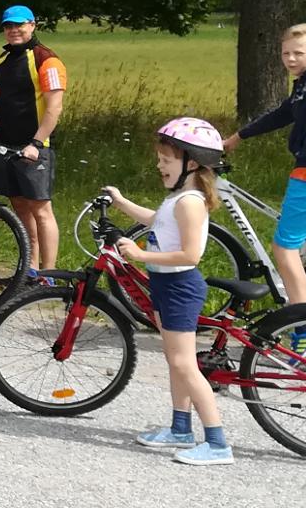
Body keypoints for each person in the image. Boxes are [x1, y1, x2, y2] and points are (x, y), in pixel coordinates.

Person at [101, 118, 233, 466]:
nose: (160, 165)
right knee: (174, 362)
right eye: (160, 159)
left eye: (166, 160)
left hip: (179, 286)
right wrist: (122, 202)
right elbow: (156, 220)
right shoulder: (178, 198)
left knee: (184, 364)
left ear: (191, 162)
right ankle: (180, 428)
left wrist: (142, 255)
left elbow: (191, 255)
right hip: (164, 283)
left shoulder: (190, 202)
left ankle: (217, 443)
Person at [223, 17, 306, 340]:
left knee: (284, 249)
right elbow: (281, 114)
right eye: (285, 54)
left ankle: (304, 329)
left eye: (298, 53)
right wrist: (238, 136)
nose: (291, 59)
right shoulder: (304, 86)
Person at [0, 5, 67, 282]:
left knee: (41, 209)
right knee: (19, 206)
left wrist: (37, 143)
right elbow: (0, 95)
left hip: (33, 147)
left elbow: (54, 108)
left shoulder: (47, 60)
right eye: (8, 26)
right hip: (5, 143)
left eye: (19, 25)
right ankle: (30, 268)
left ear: (32, 25)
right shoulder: (3, 60)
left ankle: (48, 276)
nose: (13, 30)